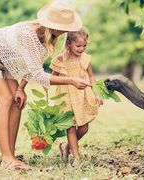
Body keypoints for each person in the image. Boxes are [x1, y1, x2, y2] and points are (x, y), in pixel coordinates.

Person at [0, 2, 91, 170]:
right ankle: (7, 159)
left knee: (17, 103)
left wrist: (20, 88)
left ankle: (10, 153)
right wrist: (71, 80)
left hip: (6, 59)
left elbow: (32, 66)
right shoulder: (28, 34)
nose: (65, 31)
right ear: (52, 24)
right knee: (6, 99)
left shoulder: (48, 37)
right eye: (63, 27)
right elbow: (39, 75)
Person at [49, 28, 103, 165]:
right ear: (68, 43)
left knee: (84, 128)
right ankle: (76, 158)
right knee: (71, 127)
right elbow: (52, 78)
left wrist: (97, 93)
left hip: (82, 96)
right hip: (65, 97)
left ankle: (65, 146)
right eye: (78, 46)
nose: (81, 49)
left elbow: (91, 76)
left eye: (84, 45)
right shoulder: (61, 59)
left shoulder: (85, 58)